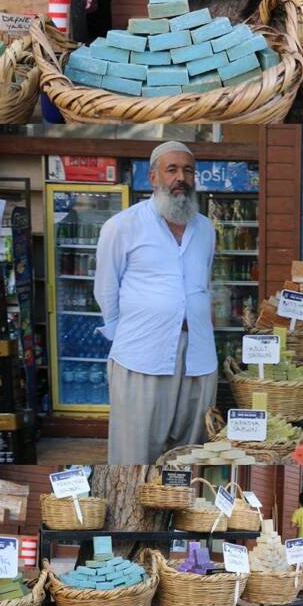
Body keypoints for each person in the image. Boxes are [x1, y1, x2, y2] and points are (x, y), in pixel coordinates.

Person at [94, 141, 217, 464]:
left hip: (199, 357)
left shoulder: (205, 229)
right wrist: (128, 337)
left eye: (188, 170)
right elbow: (105, 289)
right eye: (172, 169)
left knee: (191, 453)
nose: (181, 178)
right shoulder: (122, 226)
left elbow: (203, 283)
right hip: (141, 356)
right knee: (135, 454)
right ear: (153, 177)